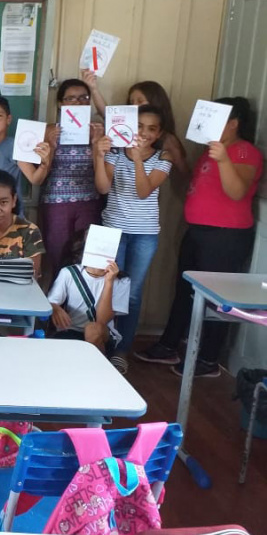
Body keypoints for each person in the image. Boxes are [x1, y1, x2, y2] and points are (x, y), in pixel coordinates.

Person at [136, 97, 263, 378]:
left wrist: (224, 160)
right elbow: (195, 182)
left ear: (233, 123)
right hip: (198, 232)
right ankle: (169, 345)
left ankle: (208, 359)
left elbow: (237, 192)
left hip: (225, 236)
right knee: (185, 291)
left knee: (218, 298)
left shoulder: (244, 151)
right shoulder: (211, 150)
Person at [93, 105, 173, 374]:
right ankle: (102, 345)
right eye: (139, 126)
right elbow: (103, 187)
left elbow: (143, 191)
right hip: (113, 231)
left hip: (144, 234)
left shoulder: (163, 156)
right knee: (108, 290)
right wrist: (99, 155)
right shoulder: (115, 153)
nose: (144, 133)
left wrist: (138, 160)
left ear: (159, 133)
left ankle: (122, 351)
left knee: (133, 295)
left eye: (152, 129)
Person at [40, 78, 103, 278]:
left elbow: (103, 171)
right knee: (58, 258)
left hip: (89, 200)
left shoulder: (97, 130)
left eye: (83, 98)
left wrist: (96, 144)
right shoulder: (49, 130)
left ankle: (81, 298)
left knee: (87, 261)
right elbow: (39, 172)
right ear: (60, 103)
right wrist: (51, 146)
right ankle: (58, 297)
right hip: (56, 201)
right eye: (71, 98)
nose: (78, 103)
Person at [83, 71, 187, 174]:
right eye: (131, 102)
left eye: (140, 101)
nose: (134, 106)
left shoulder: (167, 139)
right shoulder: (126, 127)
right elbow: (108, 115)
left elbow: (183, 172)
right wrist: (93, 89)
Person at [49, 257, 129, 354]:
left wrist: (109, 282)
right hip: (71, 329)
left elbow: (102, 320)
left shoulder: (121, 280)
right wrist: (55, 307)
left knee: (92, 329)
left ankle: (100, 361)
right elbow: (51, 302)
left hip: (102, 333)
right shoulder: (68, 273)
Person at [0, 95, 52, 188]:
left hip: (9, 197)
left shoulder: (13, 146)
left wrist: (44, 165)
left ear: (8, 119)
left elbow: (34, 179)